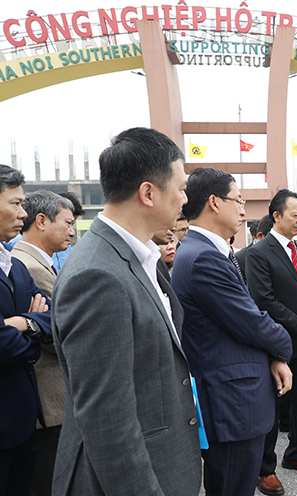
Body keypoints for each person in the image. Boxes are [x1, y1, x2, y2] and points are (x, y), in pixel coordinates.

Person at [51, 127, 202, 495]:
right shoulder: (97, 275)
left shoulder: (142, 257)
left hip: (164, 461)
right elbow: (108, 421)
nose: (185, 199)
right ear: (148, 193)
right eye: (181, 188)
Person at [171, 168, 293, 496]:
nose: (242, 210)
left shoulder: (205, 250)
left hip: (233, 397)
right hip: (232, 403)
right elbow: (251, 322)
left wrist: (274, 356)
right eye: (238, 201)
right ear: (214, 202)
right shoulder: (203, 258)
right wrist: (284, 346)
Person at [246, 189, 297, 496]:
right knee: (273, 406)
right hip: (277, 344)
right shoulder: (259, 252)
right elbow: (264, 300)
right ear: (277, 216)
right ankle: (265, 468)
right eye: (295, 215)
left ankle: (296, 453)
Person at [11, 190, 75, 496]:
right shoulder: (29, 266)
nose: (72, 232)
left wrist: (37, 322)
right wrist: (36, 323)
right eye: (68, 223)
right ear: (42, 221)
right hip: (48, 404)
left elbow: (52, 322)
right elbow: (61, 331)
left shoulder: (35, 262)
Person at [0, 165, 52, 496]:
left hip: (23, 422)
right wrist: (32, 330)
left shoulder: (15, 267)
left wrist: (22, 323)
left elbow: (54, 321)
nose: (23, 213)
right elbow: (3, 346)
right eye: (16, 203)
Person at [53, 192, 85, 273]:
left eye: (72, 224)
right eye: (68, 223)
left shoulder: (66, 248)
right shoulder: (22, 246)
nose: (72, 233)